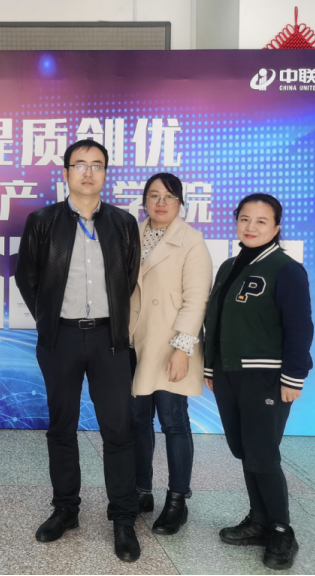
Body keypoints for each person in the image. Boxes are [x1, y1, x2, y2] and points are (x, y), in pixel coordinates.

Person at [16, 139, 142, 562]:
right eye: (80, 164)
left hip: (110, 339)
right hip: (61, 339)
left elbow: (128, 276)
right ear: (66, 172)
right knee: (61, 427)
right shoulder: (42, 221)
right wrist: (48, 320)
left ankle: (123, 519)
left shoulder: (123, 223)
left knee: (118, 431)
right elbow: (27, 276)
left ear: (106, 173)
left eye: (97, 165)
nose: (88, 172)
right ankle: (65, 510)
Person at [203, 193, 313, 570]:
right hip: (228, 374)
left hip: (266, 377)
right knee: (244, 450)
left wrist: (293, 377)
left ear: (276, 227)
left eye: (261, 221)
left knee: (263, 454)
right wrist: (211, 368)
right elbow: (214, 320)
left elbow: (300, 328)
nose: (251, 227)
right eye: (245, 219)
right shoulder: (228, 266)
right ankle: (259, 520)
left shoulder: (286, 269)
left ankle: (281, 530)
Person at [129, 173, 212, 535]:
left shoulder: (191, 240)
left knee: (174, 422)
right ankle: (140, 491)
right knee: (137, 422)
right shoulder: (131, 234)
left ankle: (177, 501)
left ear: (180, 202)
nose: (161, 203)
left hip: (169, 345)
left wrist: (182, 348)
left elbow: (197, 300)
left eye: (169, 196)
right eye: (154, 196)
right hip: (132, 342)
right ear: (144, 201)